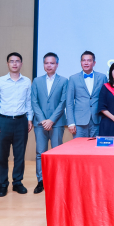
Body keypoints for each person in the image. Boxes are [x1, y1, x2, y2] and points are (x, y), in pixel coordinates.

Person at [0, 52, 33, 197]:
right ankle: (3, 185)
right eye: (11, 61)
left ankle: (17, 183)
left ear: (21, 64)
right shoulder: (0, 82)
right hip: (3, 121)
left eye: (17, 61)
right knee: (2, 155)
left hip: (21, 121)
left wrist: (30, 119)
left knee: (19, 155)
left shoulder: (27, 81)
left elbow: (29, 102)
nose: (14, 64)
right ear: (7, 64)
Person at [30, 52, 68, 194]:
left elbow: (63, 102)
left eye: (52, 63)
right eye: (46, 63)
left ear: (57, 65)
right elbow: (34, 102)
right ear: (43, 64)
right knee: (41, 152)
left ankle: (57, 180)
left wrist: (51, 120)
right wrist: (43, 120)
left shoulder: (64, 81)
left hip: (57, 122)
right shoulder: (36, 81)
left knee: (56, 152)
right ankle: (41, 181)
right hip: (40, 123)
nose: (49, 65)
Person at [66, 51, 108, 138]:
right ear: (80, 62)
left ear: (94, 63)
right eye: (83, 60)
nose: (86, 63)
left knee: (96, 149)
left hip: (97, 120)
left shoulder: (102, 77)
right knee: (79, 149)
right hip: (79, 122)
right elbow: (69, 102)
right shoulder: (73, 78)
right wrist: (71, 122)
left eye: (89, 60)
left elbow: (106, 100)